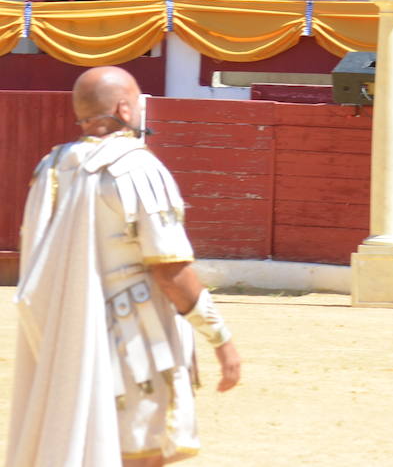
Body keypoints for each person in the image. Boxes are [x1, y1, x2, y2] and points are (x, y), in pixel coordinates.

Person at [7, 66, 241, 467]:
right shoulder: (138, 167)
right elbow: (170, 271)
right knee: (138, 454)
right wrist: (220, 338)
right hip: (133, 338)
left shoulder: (50, 168)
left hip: (62, 334)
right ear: (125, 109)